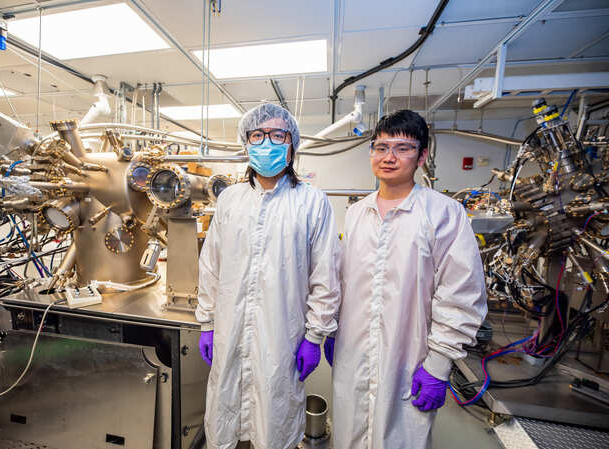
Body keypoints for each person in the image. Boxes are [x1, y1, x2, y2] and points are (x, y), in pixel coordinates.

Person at [326, 109, 487, 449]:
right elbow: (343, 281)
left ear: (422, 156)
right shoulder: (356, 213)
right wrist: (331, 329)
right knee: (348, 436)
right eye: (381, 147)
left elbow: (461, 295)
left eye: (402, 147)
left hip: (410, 359)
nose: (389, 157)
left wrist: (439, 364)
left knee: (401, 439)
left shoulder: (444, 213)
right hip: (352, 355)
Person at [195, 103, 341, 449]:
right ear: (246, 144)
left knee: (275, 419)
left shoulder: (312, 203)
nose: (267, 143)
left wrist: (315, 335)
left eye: (278, 135)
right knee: (226, 412)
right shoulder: (230, 200)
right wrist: (207, 323)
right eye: (258, 135)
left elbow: (326, 275)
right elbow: (211, 265)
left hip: (282, 335)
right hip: (229, 330)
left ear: (292, 145)